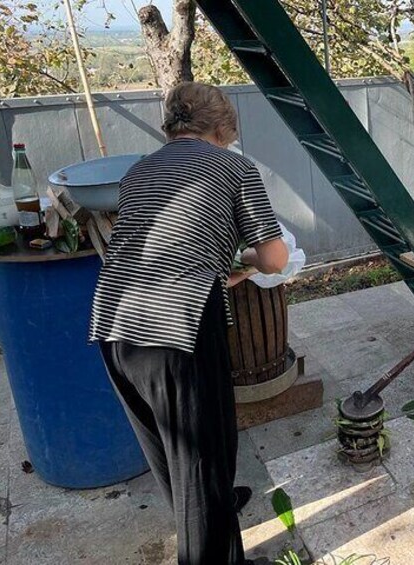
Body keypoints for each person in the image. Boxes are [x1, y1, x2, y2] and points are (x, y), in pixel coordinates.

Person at [89, 82, 288, 565]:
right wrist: (244, 257)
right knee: (201, 463)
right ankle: (208, 534)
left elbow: (171, 240)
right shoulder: (234, 166)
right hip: (177, 330)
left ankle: (216, 528)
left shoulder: (139, 170)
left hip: (113, 322)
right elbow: (276, 258)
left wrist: (221, 262)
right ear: (223, 129)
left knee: (169, 456)